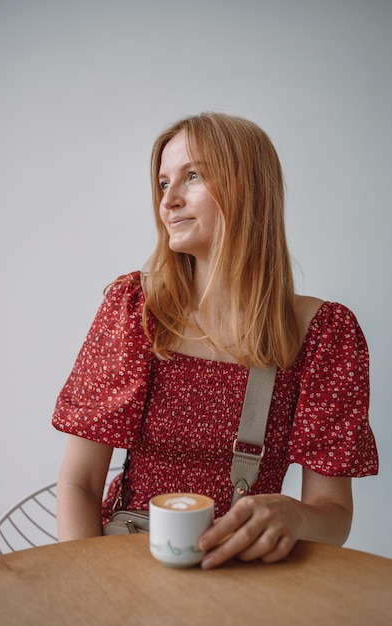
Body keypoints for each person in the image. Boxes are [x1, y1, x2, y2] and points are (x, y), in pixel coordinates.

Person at [52, 112, 378, 568]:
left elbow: (334, 515)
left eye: (192, 176)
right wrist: (89, 588)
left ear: (247, 188)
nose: (169, 201)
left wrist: (294, 516)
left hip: (248, 573)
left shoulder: (324, 333)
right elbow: (79, 485)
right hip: (124, 558)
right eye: (164, 183)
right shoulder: (135, 310)